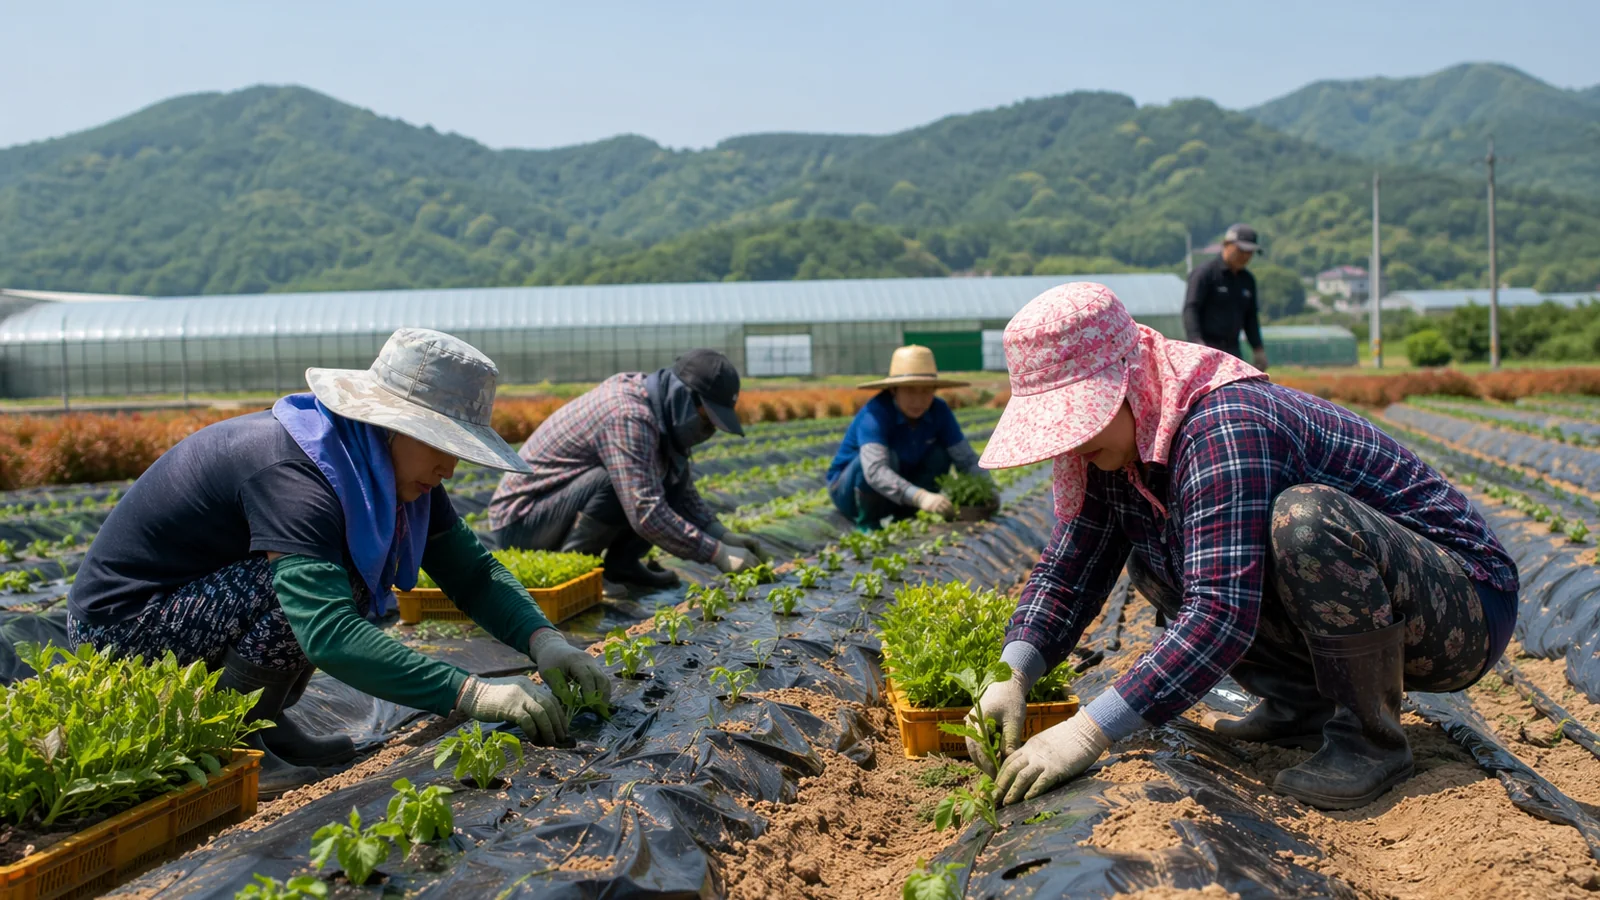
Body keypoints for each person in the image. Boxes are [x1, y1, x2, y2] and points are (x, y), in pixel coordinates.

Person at [970, 282, 1518, 811]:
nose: (1071, 442)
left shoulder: (1224, 424)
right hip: (1402, 600)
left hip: (1463, 608)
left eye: (1077, 417)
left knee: (1304, 521)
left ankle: (1370, 742)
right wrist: (1012, 672)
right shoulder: (1119, 447)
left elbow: (1220, 611)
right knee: (1156, 556)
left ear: (1128, 382)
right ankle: (1300, 707)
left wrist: (1088, 731)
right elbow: (1069, 572)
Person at [67, 328, 610, 798]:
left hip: (188, 609)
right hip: (122, 630)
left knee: (333, 572)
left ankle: (264, 720)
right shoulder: (297, 472)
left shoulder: (380, 465)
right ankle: (232, 741)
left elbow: (472, 571)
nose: (449, 467)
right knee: (309, 585)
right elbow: (326, 631)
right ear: (393, 425)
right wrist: (471, 693)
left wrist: (546, 641)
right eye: (441, 445)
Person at [488, 349, 766, 593]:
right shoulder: (628, 415)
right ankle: (582, 571)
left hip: (553, 511)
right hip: (522, 521)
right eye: (707, 418)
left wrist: (721, 534)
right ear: (684, 397)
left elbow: (681, 490)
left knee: (656, 474)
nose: (708, 429)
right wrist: (717, 553)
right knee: (618, 480)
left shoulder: (659, 410)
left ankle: (622, 566)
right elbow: (646, 512)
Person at [826, 345, 994, 529]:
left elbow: (966, 459)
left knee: (940, 454)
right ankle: (868, 522)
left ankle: (906, 516)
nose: (918, 400)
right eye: (910, 391)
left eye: (926, 391)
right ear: (894, 390)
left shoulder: (939, 410)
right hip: (850, 493)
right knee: (884, 458)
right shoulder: (875, 413)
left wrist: (989, 490)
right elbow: (874, 471)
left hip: (897, 493)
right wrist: (920, 497)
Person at [1184, 223, 1269, 370]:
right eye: (1241, 250)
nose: (1246, 256)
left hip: (1233, 352)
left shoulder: (1247, 280)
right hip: (1206, 350)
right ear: (1226, 244)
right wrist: (1197, 344)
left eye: (1250, 252)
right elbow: (1191, 309)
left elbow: (1250, 319)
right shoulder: (1205, 273)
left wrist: (1258, 349)